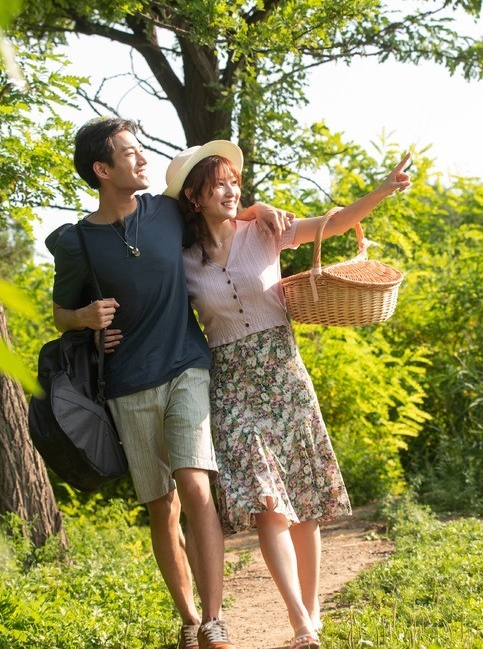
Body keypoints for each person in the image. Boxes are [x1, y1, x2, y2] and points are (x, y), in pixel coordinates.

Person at [45, 118, 291, 649]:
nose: (142, 159)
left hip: (187, 366)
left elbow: (216, 210)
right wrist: (86, 318)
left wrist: (258, 210)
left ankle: (213, 620)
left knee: (196, 486)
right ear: (102, 169)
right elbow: (61, 313)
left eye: (140, 150)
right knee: (163, 505)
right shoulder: (78, 242)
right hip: (127, 383)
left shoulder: (166, 212)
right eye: (129, 153)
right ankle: (186, 618)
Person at [166, 140, 411, 649]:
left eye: (235, 182)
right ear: (194, 197)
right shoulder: (182, 260)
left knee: (301, 497)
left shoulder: (265, 230)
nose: (232, 190)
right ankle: (300, 620)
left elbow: (334, 223)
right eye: (219, 184)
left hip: (284, 374)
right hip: (231, 384)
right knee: (266, 503)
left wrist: (383, 190)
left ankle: (312, 611)